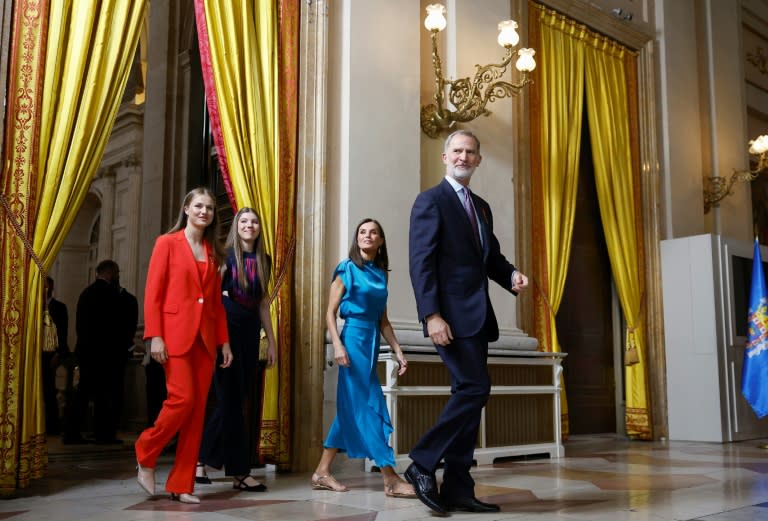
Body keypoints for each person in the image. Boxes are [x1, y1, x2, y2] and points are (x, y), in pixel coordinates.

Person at [406, 130, 529, 514]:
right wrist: (431, 315)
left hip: (477, 318)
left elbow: (489, 257)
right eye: (457, 151)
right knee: (476, 389)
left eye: (470, 152)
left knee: (470, 396)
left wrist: (510, 276)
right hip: (449, 318)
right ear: (445, 158)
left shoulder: (482, 207)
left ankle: (458, 486)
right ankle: (422, 462)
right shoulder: (430, 202)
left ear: (478, 160)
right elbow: (420, 263)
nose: (463, 157)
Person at [135, 187, 233, 505]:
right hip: (173, 336)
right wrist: (155, 336)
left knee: (197, 412)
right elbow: (154, 293)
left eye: (209, 208)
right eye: (199, 206)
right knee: (182, 400)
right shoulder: (167, 243)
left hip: (205, 340)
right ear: (187, 209)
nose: (204, 211)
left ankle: (182, 483)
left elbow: (215, 305)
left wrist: (224, 342)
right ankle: (146, 451)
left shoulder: (213, 251)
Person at [310, 218, 416, 498]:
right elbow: (329, 313)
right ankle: (390, 477)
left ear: (380, 241)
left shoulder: (381, 274)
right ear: (356, 239)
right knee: (368, 406)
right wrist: (338, 345)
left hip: (370, 340)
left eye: (373, 233)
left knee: (352, 407)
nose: (367, 236)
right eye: (362, 232)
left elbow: (383, 319)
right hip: (353, 339)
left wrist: (398, 349)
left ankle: (322, 471)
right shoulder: (347, 269)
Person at [196, 207, 277, 492]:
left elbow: (264, 304)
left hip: (250, 331)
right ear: (236, 226)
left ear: (259, 227)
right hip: (226, 330)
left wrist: (272, 342)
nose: (249, 225)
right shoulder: (226, 255)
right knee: (230, 400)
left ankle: (202, 459)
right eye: (244, 221)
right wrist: (222, 341)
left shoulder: (265, 260)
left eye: (254, 221)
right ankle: (240, 472)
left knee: (236, 400)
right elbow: (213, 297)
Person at [65, 260, 124, 444]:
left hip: (85, 352)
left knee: (82, 394)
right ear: (110, 272)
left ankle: (72, 433)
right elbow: (114, 327)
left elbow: (80, 326)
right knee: (104, 396)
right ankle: (103, 434)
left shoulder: (86, 293)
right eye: (116, 272)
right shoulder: (110, 293)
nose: (117, 276)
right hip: (104, 354)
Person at [42, 276, 69, 435]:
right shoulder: (33, 305)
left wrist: (59, 353)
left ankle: (52, 427)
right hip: (34, 355)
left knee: (49, 391)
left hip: (51, 355)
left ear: (52, 288)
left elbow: (63, 332)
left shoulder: (59, 307)